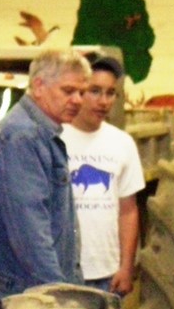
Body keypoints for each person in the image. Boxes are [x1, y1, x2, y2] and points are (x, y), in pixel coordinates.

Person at [0, 47, 91, 309]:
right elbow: (30, 229)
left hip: (34, 286)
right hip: (26, 292)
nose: (77, 100)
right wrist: (58, 292)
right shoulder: (22, 137)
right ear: (38, 86)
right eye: (68, 90)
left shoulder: (40, 134)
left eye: (82, 92)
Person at [61, 54, 145, 294]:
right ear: (79, 92)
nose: (103, 101)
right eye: (95, 91)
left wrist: (126, 268)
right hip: (63, 273)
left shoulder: (122, 143)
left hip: (108, 276)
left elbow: (128, 211)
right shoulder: (54, 139)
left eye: (110, 93)